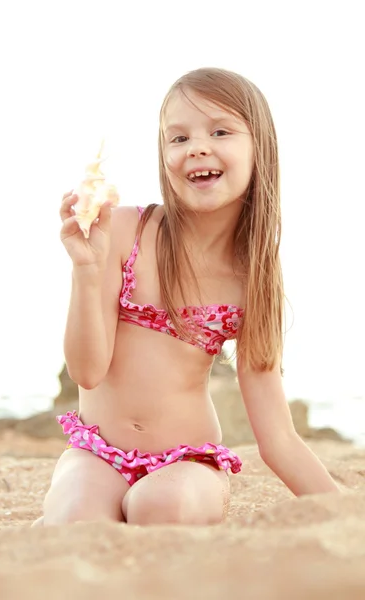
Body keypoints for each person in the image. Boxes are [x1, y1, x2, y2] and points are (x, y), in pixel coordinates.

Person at [35, 67, 339, 528]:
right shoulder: (123, 231)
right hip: (98, 452)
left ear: (260, 147)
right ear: (164, 156)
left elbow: (277, 437)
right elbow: (86, 372)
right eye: (177, 138)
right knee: (78, 517)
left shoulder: (251, 279)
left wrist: (345, 511)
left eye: (220, 130)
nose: (196, 146)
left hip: (189, 464)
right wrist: (87, 268)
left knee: (159, 506)